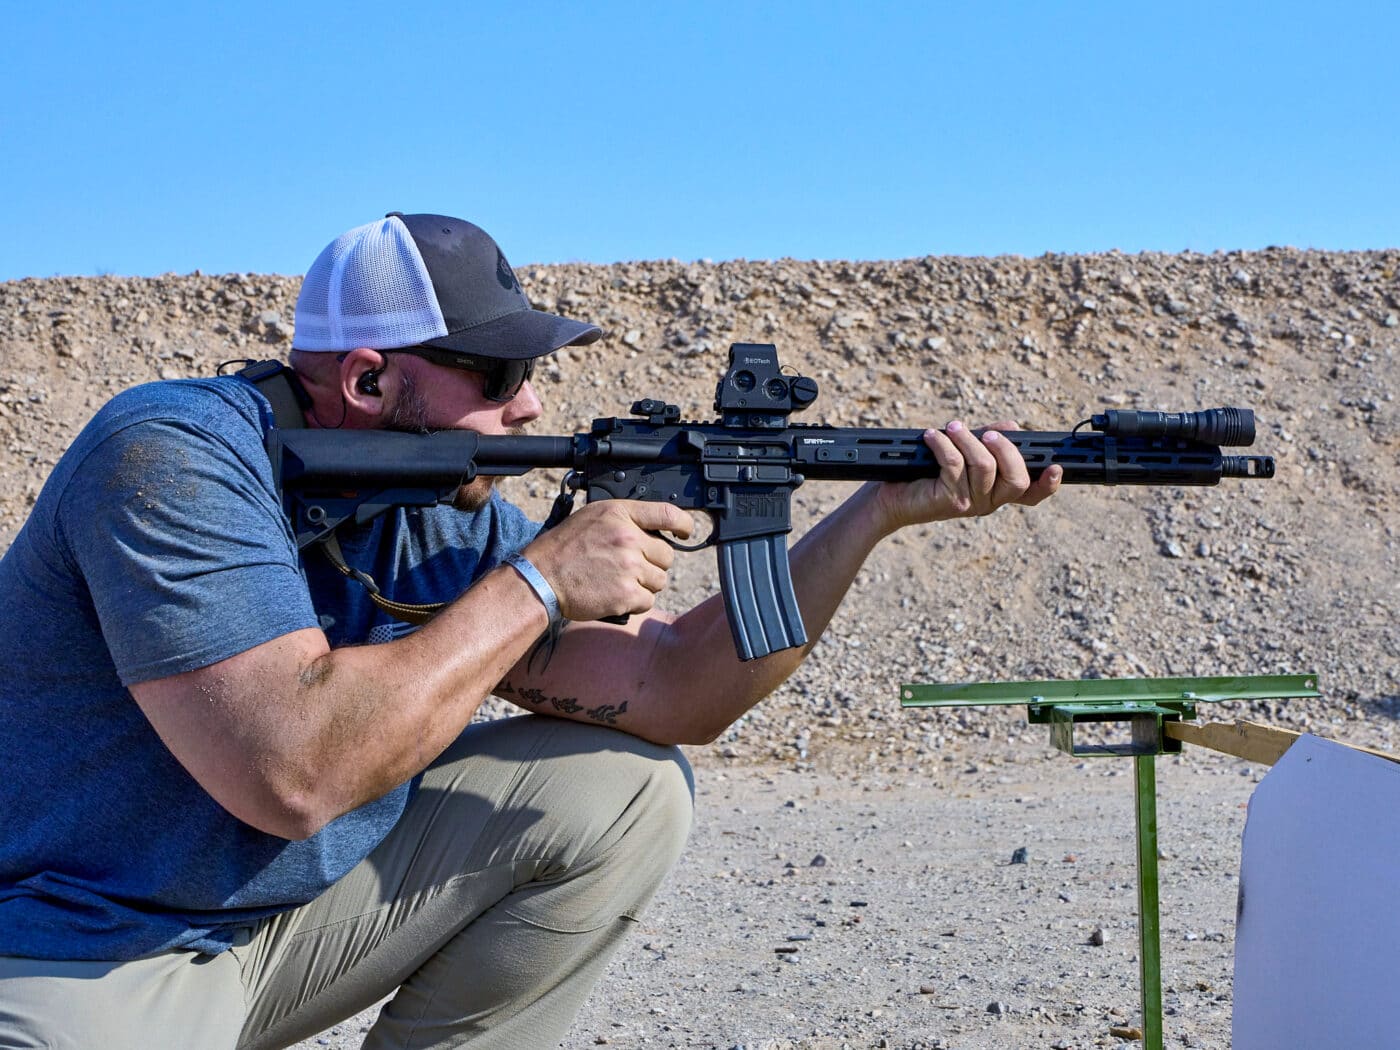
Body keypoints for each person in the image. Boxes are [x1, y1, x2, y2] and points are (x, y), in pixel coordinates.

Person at [0, 213, 1061, 1049]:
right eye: (497, 376)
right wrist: (539, 583)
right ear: (369, 381)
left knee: (619, 788)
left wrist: (870, 514)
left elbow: (673, 692)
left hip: (269, 929)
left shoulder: (426, 509)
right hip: (82, 948)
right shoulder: (171, 459)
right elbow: (292, 774)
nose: (526, 406)